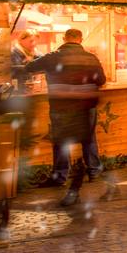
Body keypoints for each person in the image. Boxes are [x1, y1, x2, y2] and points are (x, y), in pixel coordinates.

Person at [25, 28, 106, 207]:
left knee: (61, 141)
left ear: (64, 38)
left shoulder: (53, 56)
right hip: (86, 105)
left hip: (62, 106)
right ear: (81, 39)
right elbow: (101, 80)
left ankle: (60, 175)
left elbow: (29, 68)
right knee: (89, 139)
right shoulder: (90, 57)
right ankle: (94, 171)